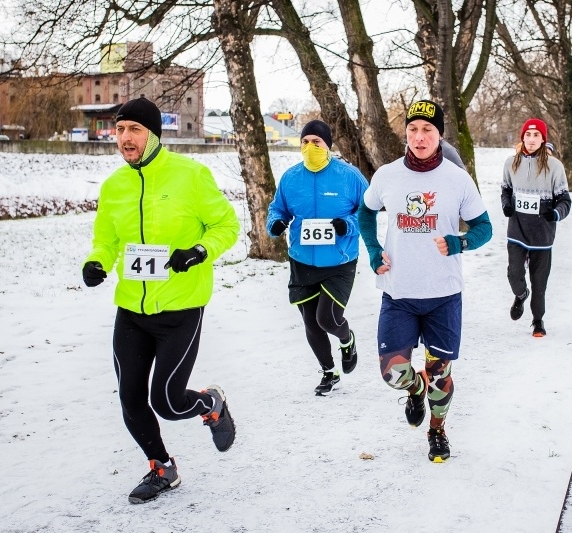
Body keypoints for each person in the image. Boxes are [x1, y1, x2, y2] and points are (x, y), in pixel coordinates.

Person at [82, 97, 240, 504]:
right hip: (131, 310)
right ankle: (162, 467)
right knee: (131, 399)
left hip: (181, 308)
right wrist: (97, 262)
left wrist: (199, 251)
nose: (124, 138)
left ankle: (211, 403)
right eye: (119, 130)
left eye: (134, 130)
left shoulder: (190, 175)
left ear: (153, 135)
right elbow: (106, 240)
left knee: (167, 402)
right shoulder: (115, 186)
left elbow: (227, 225)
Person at [358, 99, 492, 463]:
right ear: (406, 133)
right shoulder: (387, 175)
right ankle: (415, 389)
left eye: (427, 130)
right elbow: (365, 211)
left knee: (441, 373)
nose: (419, 137)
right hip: (398, 292)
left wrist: (459, 242)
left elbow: (484, 228)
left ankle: (437, 431)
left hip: (443, 295)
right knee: (393, 373)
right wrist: (372, 249)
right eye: (413, 129)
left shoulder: (456, 178)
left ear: (439, 135)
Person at [266, 119, 368, 396]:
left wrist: (347, 224)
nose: (310, 147)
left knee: (327, 319)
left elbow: (368, 211)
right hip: (302, 259)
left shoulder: (349, 176)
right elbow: (278, 209)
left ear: (328, 145)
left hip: (339, 260)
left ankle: (346, 340)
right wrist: (275, 222)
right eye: (305, 142)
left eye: (317, 142)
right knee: (311, 322)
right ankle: (329, 372)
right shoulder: (290, 177)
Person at [500, 118, 571, 337]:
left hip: (542, 233)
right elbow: (505, 190)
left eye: (536, 136)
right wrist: (507, 205)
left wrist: (556, 213)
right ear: (523, 138)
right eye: (528, 135)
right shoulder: (511, 163)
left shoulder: (554, 166)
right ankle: (521, 295)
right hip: (517, 230)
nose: (531, 140)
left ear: (543, 139)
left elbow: (565, 200)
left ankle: (538, 320)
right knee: (514, 273)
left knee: (539, 281)